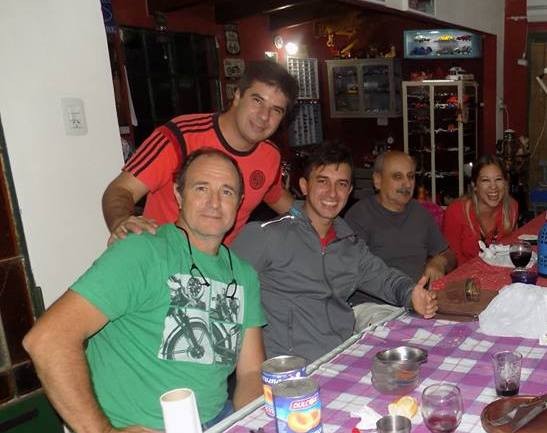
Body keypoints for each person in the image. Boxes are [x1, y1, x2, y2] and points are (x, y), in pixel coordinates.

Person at [23, 149, 266, 432]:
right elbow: (47, 340)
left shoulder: (244, 275)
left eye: (226, 192)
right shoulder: (142, 252)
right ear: (178, 195)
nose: (214, 202)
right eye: (201, 188)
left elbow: (251, 372)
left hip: (218, 420)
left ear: (239, 202)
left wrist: (253, 424)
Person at [231, 143, 437, 362]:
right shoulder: (266, 235)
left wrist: (411, 294)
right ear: (304, 186)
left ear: (349, 191)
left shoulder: (350, 245)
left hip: (343, 358)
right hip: (290, 369)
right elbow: (224, 290)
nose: (332, 193)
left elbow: (386, 279)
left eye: (341, 184)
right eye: (322, 181)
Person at [103, 60, 298, 245]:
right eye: (257, 100)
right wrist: (121, 221)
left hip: (219, 264)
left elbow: (279, 198)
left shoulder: (270, 156)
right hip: (162, 258)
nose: (264, 116)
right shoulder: (181, 136)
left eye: (276, 110)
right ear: (238, 96)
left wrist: (314, 217)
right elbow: (121, 190)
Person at [344, 151, 456, 300]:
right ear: (378, 180)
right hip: (375, 305)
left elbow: (450, 255)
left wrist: (440, 261)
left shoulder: (421, 214)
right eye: (397, 177)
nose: (407, 184)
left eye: (411, 176)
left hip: (419, 300)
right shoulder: (359, 216)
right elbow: (353, 270)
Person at [443, 154, 518, 266]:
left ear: (505, 183)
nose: (493, 187)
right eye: (485, 180)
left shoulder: (512, 208)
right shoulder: (456, 212)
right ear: (474, 185)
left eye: (498, 179)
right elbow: (450, 261)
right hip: (464, 275)